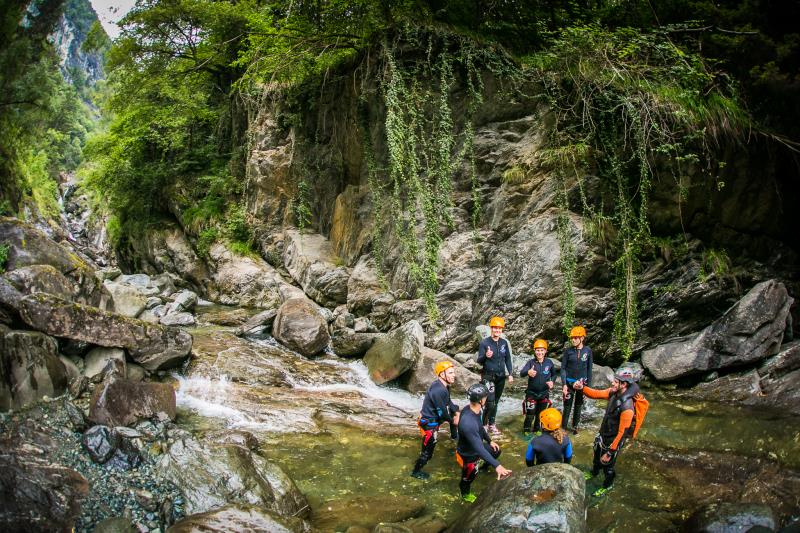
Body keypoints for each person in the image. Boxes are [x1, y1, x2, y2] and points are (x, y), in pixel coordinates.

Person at [573, 369, 638, 496]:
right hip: (603, 435)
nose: (612, 383)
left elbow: (622, 433)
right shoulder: (613, 393)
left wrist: (610, 452)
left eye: (615, 381)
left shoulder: (627, 408)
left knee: (608, 467)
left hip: (613, 441)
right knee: (597, 458)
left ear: (624, 384)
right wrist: (582, 388)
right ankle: (594, 472)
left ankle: (607, 485)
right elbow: (595, 394)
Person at [456, 383, 513, 502]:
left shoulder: (474, 410)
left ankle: (483, 468)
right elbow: (479, 449)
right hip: (468, 454)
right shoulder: (468, 423)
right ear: (481, 400)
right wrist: (497, 466)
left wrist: (490, 440)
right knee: (468, 478)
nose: (487, 398)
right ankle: (465, 495)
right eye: (485, 396)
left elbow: (480, 428)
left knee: (496, 450)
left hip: (476, 446)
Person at [411, 360, 461, 480]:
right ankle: (415, 472)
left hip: (433, 419)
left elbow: (449, 403)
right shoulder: (439, 390)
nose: (454, 375)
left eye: (453, 372)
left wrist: (457, 412)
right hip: (429, 425)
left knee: (456, 410)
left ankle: (455, 438)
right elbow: (442, 413)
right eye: (450, 373)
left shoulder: (443, 386)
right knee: (427, 453)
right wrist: (453, 420)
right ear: (442, 375)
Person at [476, 316, 514, 435]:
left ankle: (492, 424)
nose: (497, 330)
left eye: (499, 328)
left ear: (502, 330)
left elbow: (507, 359)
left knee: (496, 401)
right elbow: (479, 361)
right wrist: (486, 356)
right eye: (495, 328)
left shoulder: (504, 343)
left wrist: (510, 374)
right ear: (491, 329)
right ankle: (484, 424)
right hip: (488, 376)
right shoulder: (485, 342)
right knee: (490, 402)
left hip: (501, 376)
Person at [560, 325, 593, 434]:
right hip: (569, 383)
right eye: (572, 338)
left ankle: (575, 427)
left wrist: (588, 388)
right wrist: (564, 384)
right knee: (567, 407)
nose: (573, 340)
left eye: (575, 338)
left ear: (582, 338)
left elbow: (589, 369)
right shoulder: (568, 351)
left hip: (582, 384)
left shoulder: (588, 351)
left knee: (578, 406)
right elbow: (563, 369)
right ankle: (563, 428)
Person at [519, 338, 556, 436]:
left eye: (541, 350)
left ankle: (537, 429)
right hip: (531, 394)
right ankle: (526, 429)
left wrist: (552, 381)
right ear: (534, 351)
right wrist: (528, 372)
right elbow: (521, 373)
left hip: (544, 394)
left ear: (545, 351)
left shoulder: (549, 363)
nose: (539, 352)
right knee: (530, 414)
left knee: (541, 414)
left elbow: (554, 374)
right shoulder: (531, 363)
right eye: (537, 350)